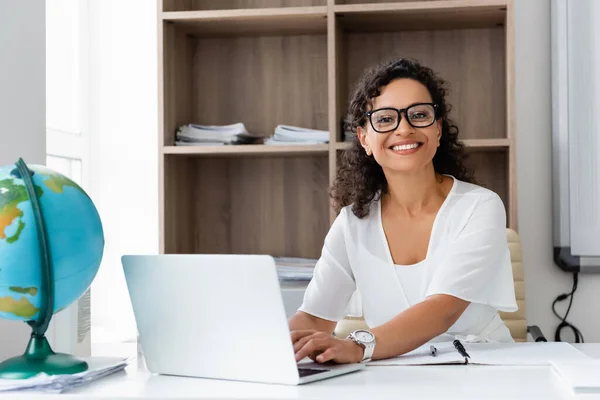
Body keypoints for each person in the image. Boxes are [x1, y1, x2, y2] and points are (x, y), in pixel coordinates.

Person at [288, 58, 518, 365]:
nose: (404, 129)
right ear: (365, 139)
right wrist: (261, 347)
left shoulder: (479, 207)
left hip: (482, 369)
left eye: (419, 115)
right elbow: (315, 319)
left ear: (438, 129)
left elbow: (442, 310)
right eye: (385, 119)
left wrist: (358, 347)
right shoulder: (351, 223)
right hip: (397, 373)